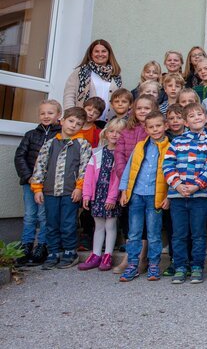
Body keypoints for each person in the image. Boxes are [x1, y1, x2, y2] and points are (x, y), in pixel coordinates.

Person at [163, 103, 207, 284]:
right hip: (178, 196)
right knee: (179, 234)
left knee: (198, 233)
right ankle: (180, 266)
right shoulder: (176, 142)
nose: (196, 118)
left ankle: (196, 266)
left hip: (199, 196)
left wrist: (196, 186)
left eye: (199, 114)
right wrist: (178, 185)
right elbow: (168, 166)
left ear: (205, 117)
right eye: (192, 116)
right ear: (186, 122)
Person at [31, 107, 92, 269]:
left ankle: (70, 251)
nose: (73, 126)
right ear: (62, 121)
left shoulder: (83, 144)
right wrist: (37, 188)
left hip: (69, 192)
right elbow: (40, 166)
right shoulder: (50, 143)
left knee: (68, 222)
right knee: (51, 222)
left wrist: (79, 188)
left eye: (78, 124)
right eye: (71, 121)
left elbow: (85, 168)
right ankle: (53, 252)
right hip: (50, 191)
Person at [117, 111, 171, 282]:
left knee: (154, 233)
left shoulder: (170, 148)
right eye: (151, 127)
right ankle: (133, 264)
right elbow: (129, 168)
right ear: (146, 129)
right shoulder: (140, 146)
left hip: (155, 196)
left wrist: (169, 196)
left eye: (158, 126)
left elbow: (172, 175)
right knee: (134, 232)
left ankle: (153, 264)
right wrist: (124, 190)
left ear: (165, 126)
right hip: (137, 194)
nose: (155, 130)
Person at [15, 99, 62, 266]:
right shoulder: (31, 135)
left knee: (44, 216)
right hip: (30, 182)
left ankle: (42, 246)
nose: (46, 116)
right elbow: (20, 156)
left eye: (50, 113)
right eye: (42, 113)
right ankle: (26, 246)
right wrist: (28, 177)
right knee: (29, 215)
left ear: (58, 115)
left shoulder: (61, 135)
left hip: (48, 184)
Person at [78, 118, 125, 272]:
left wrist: (112, 197)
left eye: (119, 133)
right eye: (112, 131)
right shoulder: (97, 152)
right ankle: (96, 254)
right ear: (106, 133)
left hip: (111, 197)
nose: (115, 135)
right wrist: (86, 195)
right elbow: (89, 175)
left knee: (110, 225)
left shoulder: (121, 155)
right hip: (97, 195)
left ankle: (108, 255)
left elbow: (119, 178)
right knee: (98, 225)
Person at [63, 39, 123, 118]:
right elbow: (69, 95)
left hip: (108, 123)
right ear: (91, 54)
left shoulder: (115, 76)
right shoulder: (80, 72)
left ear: (109, 54)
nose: (100, 54)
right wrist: (70, 115)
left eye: (104, 51)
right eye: (96, 51)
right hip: (83, 121)